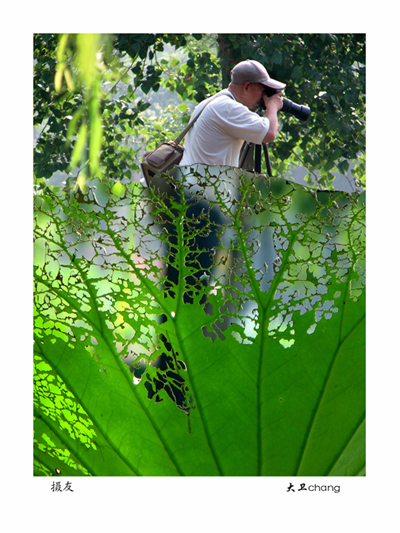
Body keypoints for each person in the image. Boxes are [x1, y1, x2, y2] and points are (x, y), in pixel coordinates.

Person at [179, 59, 286, 167]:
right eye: (262, 91)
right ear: (246, 87)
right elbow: (269, 134)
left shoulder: (213, 101)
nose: (263, 97)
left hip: (194, 179)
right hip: (204, 182)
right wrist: (272, 106)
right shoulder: (228, 108)